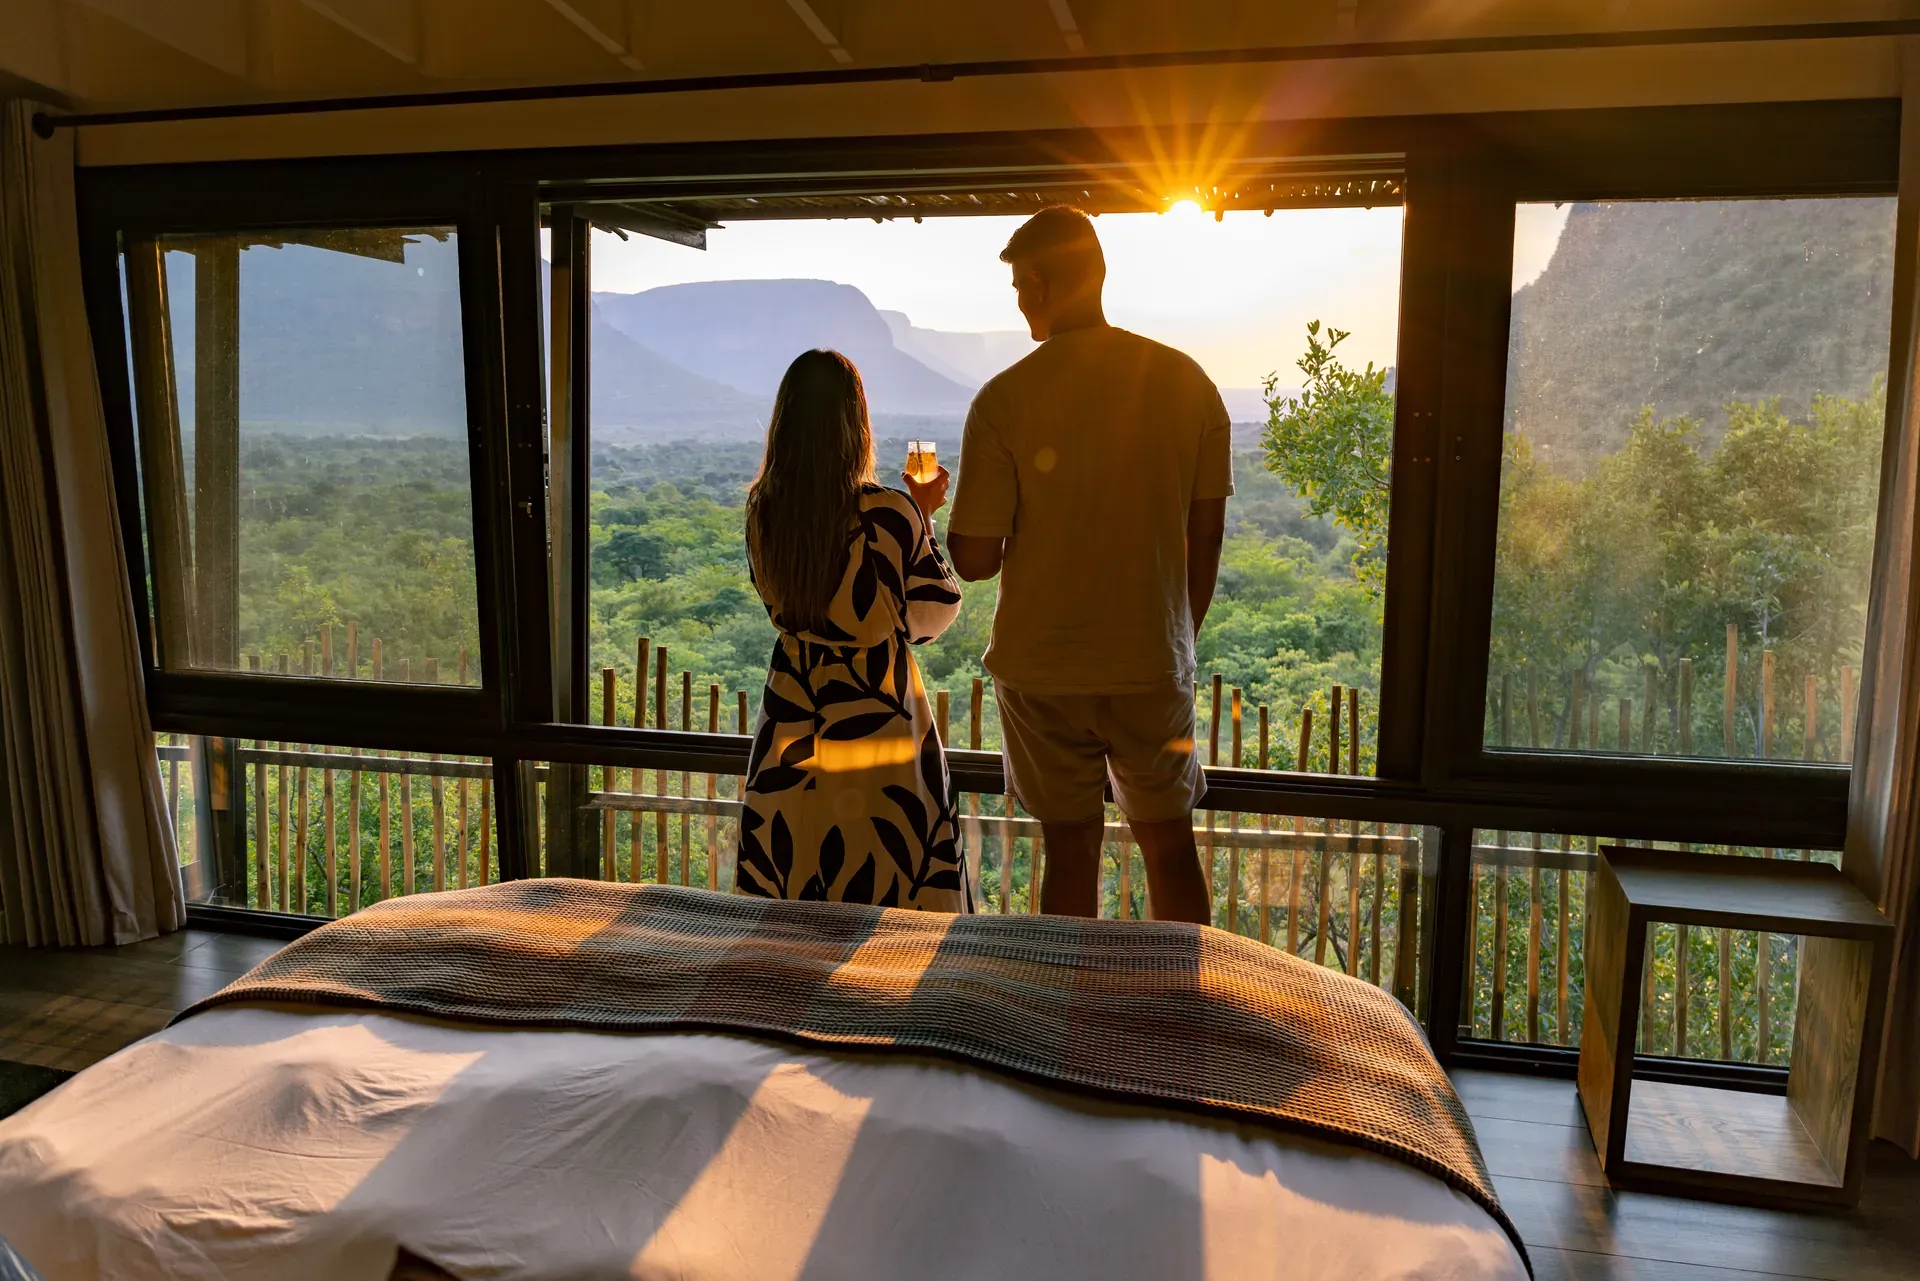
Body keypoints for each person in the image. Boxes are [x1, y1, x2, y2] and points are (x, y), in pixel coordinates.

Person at [946, 206, 1231, 924]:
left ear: (1040, 281)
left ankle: (1067, 1019)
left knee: (1070, 848)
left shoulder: (1004, 399)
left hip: (1043, 672)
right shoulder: (1189, 384)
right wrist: (1175, 640)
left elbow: (974, 561)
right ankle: (1179, 1011)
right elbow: (1206, 540)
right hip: (1149, 662)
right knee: (1169, 846)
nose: (1018, 302)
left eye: (1018, 285)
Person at [738, 348, 970, 910]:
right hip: (877, 711)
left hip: (792, 707)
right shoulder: (888, 511)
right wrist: (924, 517)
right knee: (895, 885)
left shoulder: (764, 509)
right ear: (856, 423)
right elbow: (934, 612)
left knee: (793, 881)